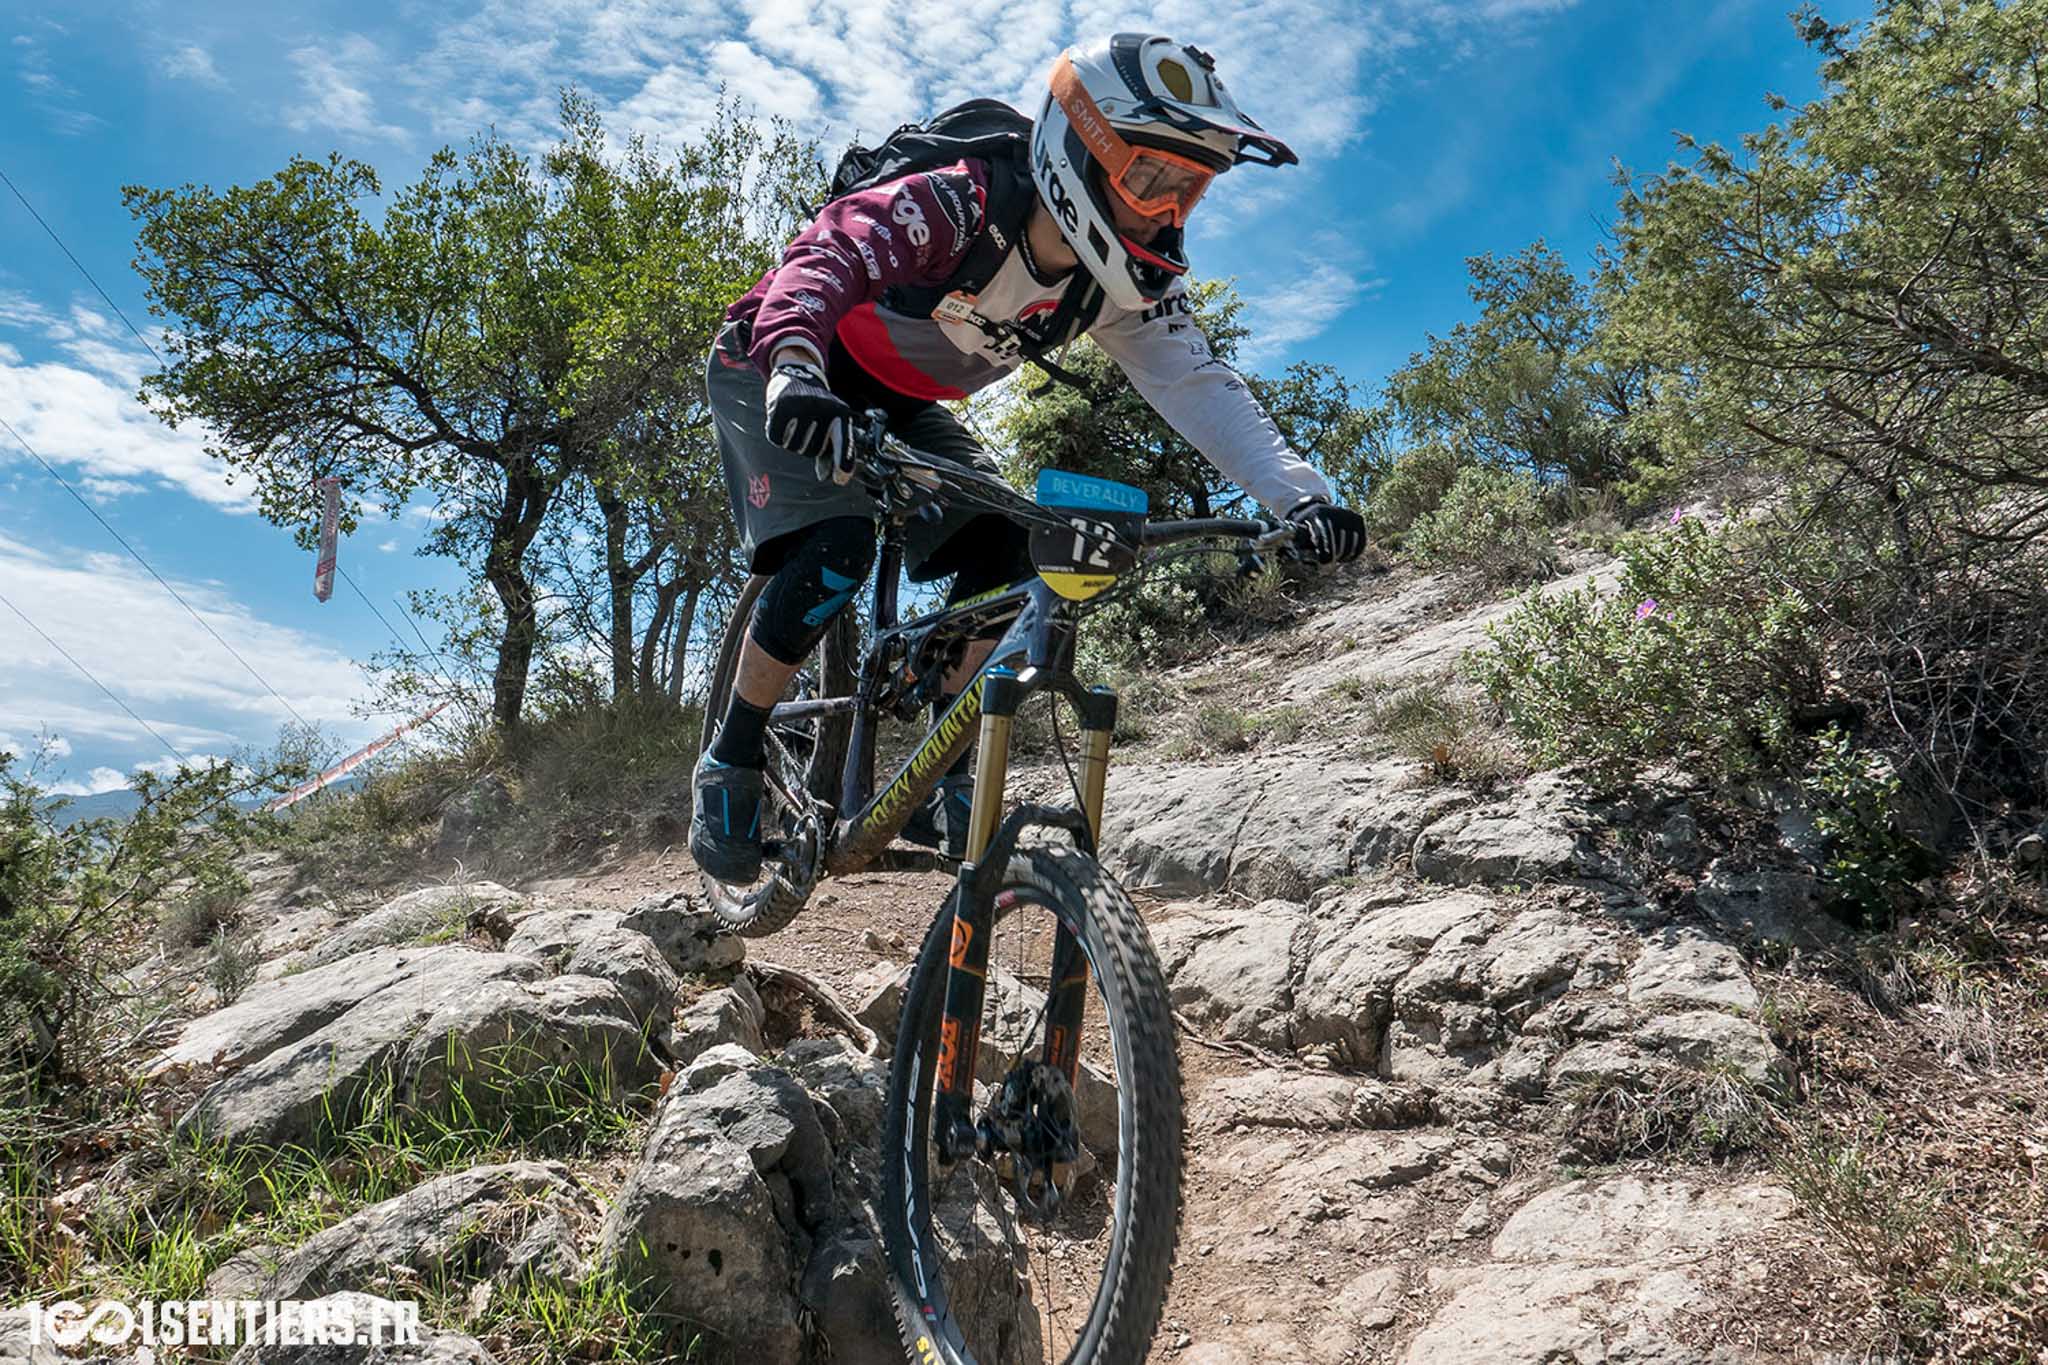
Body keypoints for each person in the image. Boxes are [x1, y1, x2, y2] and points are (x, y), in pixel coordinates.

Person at [692, 32, 1368, 883]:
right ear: (1082, 155)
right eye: (1149, 180)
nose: (1167, 213)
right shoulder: (962, 204)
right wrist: (792, 366)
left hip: (902, 401)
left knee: (1008, 545)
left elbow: (1200, 385)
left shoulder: (1113, 289)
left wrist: (1298, 498)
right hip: (777, 357)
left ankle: (946, 772)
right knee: (838, 545)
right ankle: (731, 758)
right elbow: (830, 250)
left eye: (1188, 190)